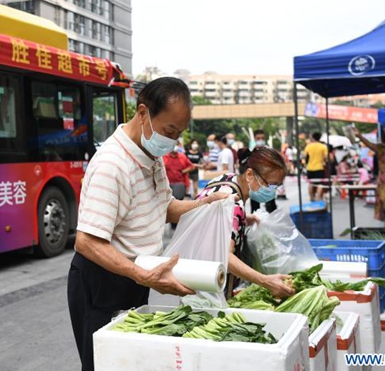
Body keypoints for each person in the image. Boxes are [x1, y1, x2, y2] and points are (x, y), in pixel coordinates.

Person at [67, 77, 229, 371]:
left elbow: (163, 208)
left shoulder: (151, 155)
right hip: (103, 281)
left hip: (135, 275)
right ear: (143, 113)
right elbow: (87, 242)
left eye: (178, 134)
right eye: (169, 131)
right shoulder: (111, 164)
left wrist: (203, 205)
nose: (172, 141)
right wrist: (141, 275)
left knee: (130, 362)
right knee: (103, 364)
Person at [197, 147, 296, 298]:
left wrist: (243, 218)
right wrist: (265, 281)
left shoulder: (227, 179)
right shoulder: (232, 204)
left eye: (277, 186)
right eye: (270, 185)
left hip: (195, 274)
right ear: (250, 174)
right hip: (207, 286)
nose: (273, 190)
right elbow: (225, 256)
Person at [250, 130, 277, 213]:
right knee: (255, 206)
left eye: (262, 138)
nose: (260, 140)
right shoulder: (251, 151)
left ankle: (272, 221)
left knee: (271, 205)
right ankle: (255, 222)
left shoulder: (270, 151)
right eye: (258, 138)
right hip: (255, 181)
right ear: (254, 139)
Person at [303, 132, 328, 202]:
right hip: (319, 167)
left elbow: (306, 157)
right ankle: (318, 198)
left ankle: (311, 198)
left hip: (310, 168)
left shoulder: (308, 146)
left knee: (311, 183)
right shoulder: (323, 146)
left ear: (313, 138)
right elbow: (326, 158)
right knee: (320, 184)